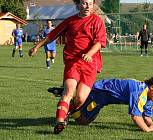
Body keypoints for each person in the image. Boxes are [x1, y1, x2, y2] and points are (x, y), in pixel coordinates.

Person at [28, 0, 106, 134]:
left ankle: (67, 110)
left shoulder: (97, 21)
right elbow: (52, 35)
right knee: (69, 91)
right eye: (83, 3)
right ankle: (60, 121)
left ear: (93, 4)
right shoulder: (70, 21)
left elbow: (99, 43)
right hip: (73, 62)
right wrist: (36, 46)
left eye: (89, 3)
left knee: (80, 98)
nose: (87, 6)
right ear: (78, 5)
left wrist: (89, 54)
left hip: (90, 64)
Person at [48, 75, 153, 132]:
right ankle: (69, 103)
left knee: (86, 119)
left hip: (106, 99)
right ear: (152, 87)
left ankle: (72, 97)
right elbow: (136, 117)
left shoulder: (150, 97)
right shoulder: (139, 92)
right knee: (83, 121)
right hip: (100, 93)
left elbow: (146, 116)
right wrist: (147, 130)